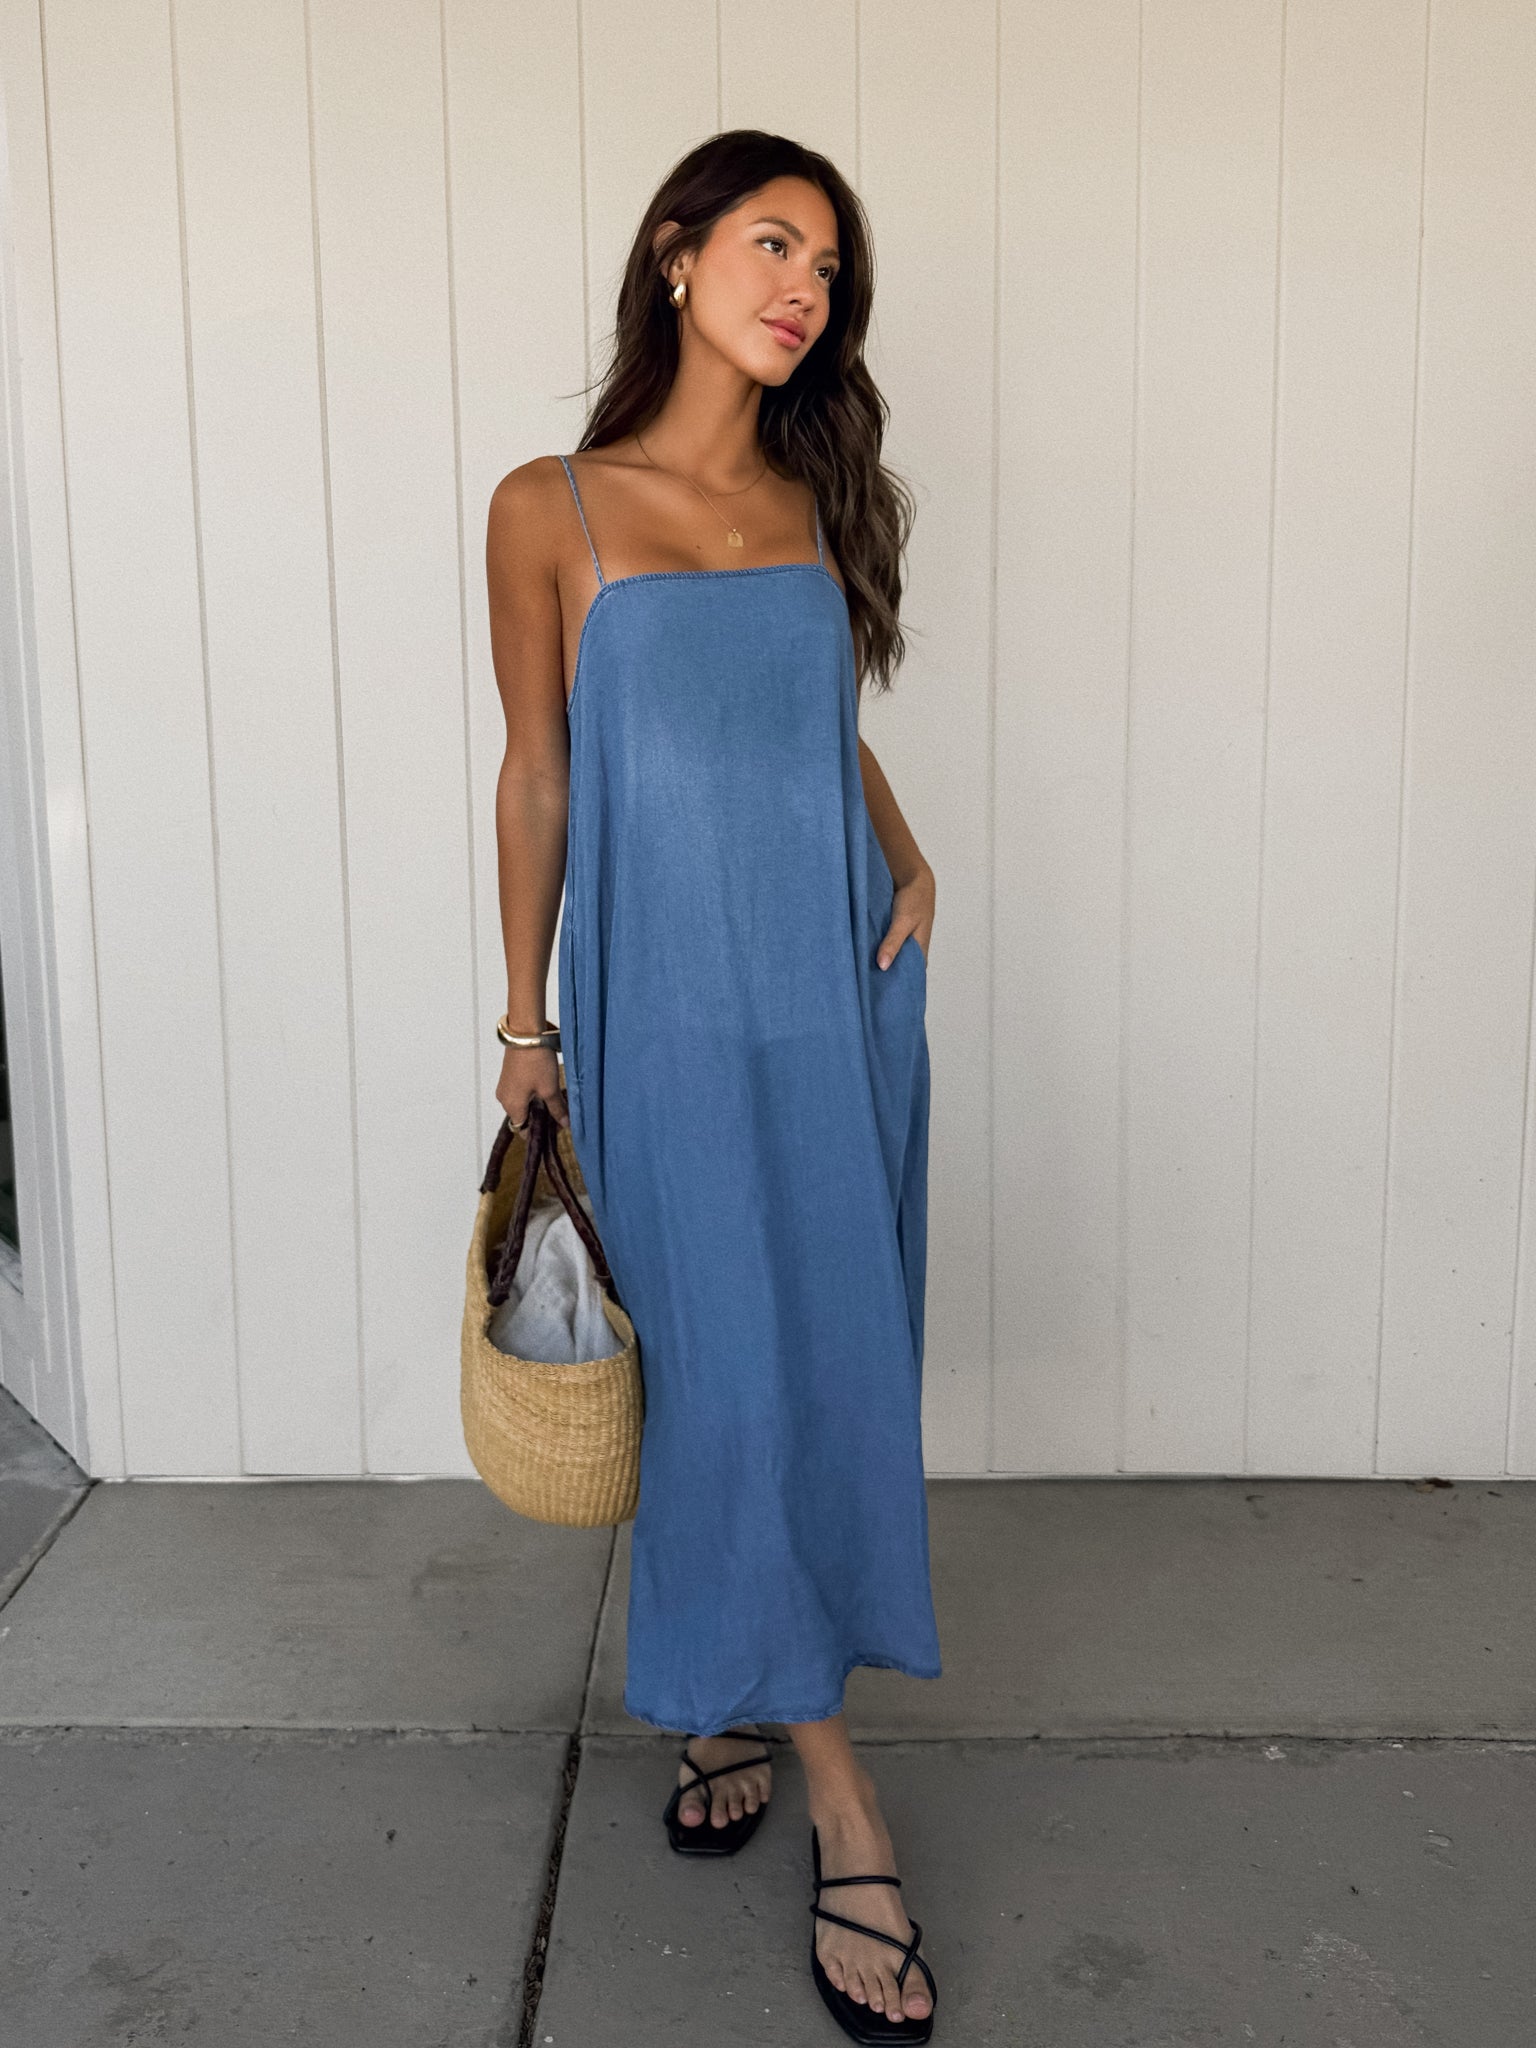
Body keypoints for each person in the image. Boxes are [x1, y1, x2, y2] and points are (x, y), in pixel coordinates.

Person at [484, 128, 941, 2041]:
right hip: (664, 1014)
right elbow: (541, 771)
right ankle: (845, 1798)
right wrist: (528, 1028)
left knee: (826, 1354)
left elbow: (818, 730)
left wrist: (907, 855)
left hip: (835, 998)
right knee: (724, 1370)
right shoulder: (552, 508)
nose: (803, 290)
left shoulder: (815, 499)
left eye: (828, 268)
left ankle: (733, 1693)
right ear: (676, 254)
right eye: (773, 244)